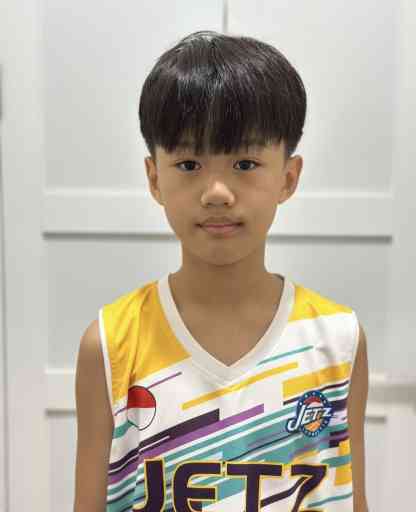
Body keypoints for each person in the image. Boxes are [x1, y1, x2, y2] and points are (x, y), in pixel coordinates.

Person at [74, 30, 369, 512]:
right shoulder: (110, 344)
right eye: (189, 163)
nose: (216, 192)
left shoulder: (338, 339)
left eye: (245, 163)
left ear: (288, 177)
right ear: (154, 178)